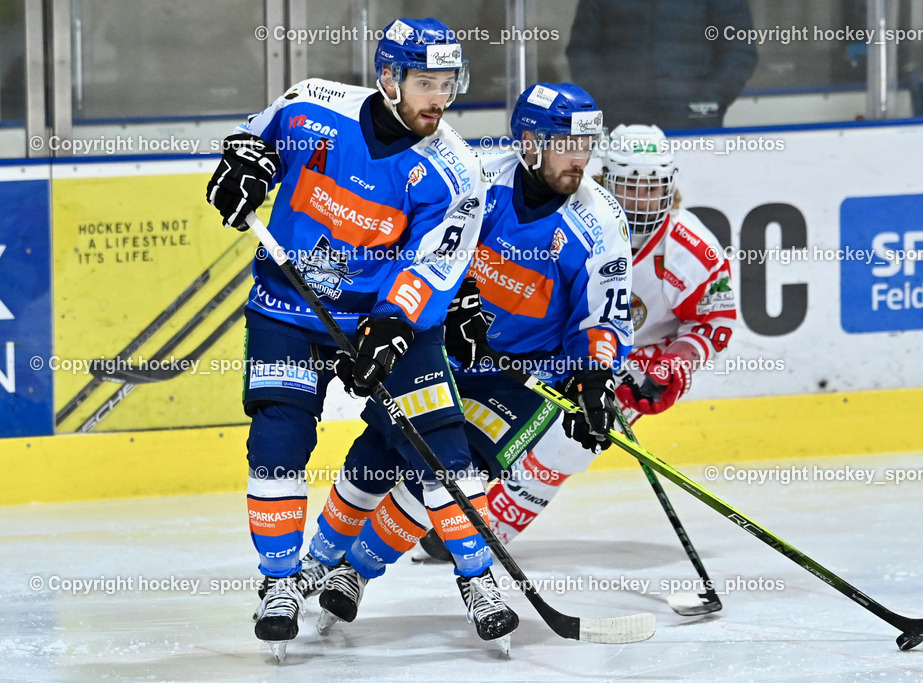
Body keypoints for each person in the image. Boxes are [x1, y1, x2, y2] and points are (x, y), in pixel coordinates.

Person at [304, 82, 635, 652]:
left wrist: (595, 378)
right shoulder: (477, 181)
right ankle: (317, 559)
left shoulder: (600, 223)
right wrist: (448, 302)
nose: (580, 157)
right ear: (529, 142)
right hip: (448, 354)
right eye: (566, 143)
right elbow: (424, 251)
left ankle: (355, 571)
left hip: (525, 376)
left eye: (588, 142)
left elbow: (604, 320)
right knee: (377, 457)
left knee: (449, 478)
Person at [205, 17, 489, 661]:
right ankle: (280, 584)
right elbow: (255, 140)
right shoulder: (313, 104)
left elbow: (436, 263)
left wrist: (392, 322)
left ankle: (478, 579)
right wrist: (242, 165)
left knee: (437, 444)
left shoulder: (455, 171)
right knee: (279, 438)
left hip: (380, 318)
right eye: (424, 83)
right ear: (388, 77)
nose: (437, 99)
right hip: (289, 309)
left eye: (448, 84)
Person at [482, 123, 737, 545]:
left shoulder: (692, 252)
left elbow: (716, 321)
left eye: (653, 188)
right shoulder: (573, 218)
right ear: (604, 179)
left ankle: (495, 523)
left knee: (572, 442)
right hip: (559, 342)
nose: (640, 200)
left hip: (628, 360)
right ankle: (449, 505)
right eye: (629, 186)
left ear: (670, 188)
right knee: (496, 423)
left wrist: (674, 366)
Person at [566, 0, 758, 130]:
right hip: (618, 126)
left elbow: (739, 51)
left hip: (692, 129)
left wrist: (703, 105)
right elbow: (582, 49)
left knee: (694, 190)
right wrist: (603, 101)